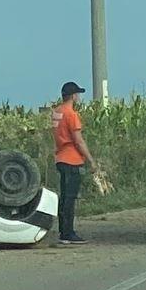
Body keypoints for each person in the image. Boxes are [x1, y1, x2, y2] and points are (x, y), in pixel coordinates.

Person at [52, 82, 96, 245]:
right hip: (72, 159)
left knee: (64, 197)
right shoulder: (71, 114)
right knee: (70, 198)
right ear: (73, 96)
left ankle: (63, 231)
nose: (79, 97)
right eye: (78, 94)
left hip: (60, 157)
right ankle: (68, 233)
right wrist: (91, 160)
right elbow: (78, 140)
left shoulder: (56, 112)